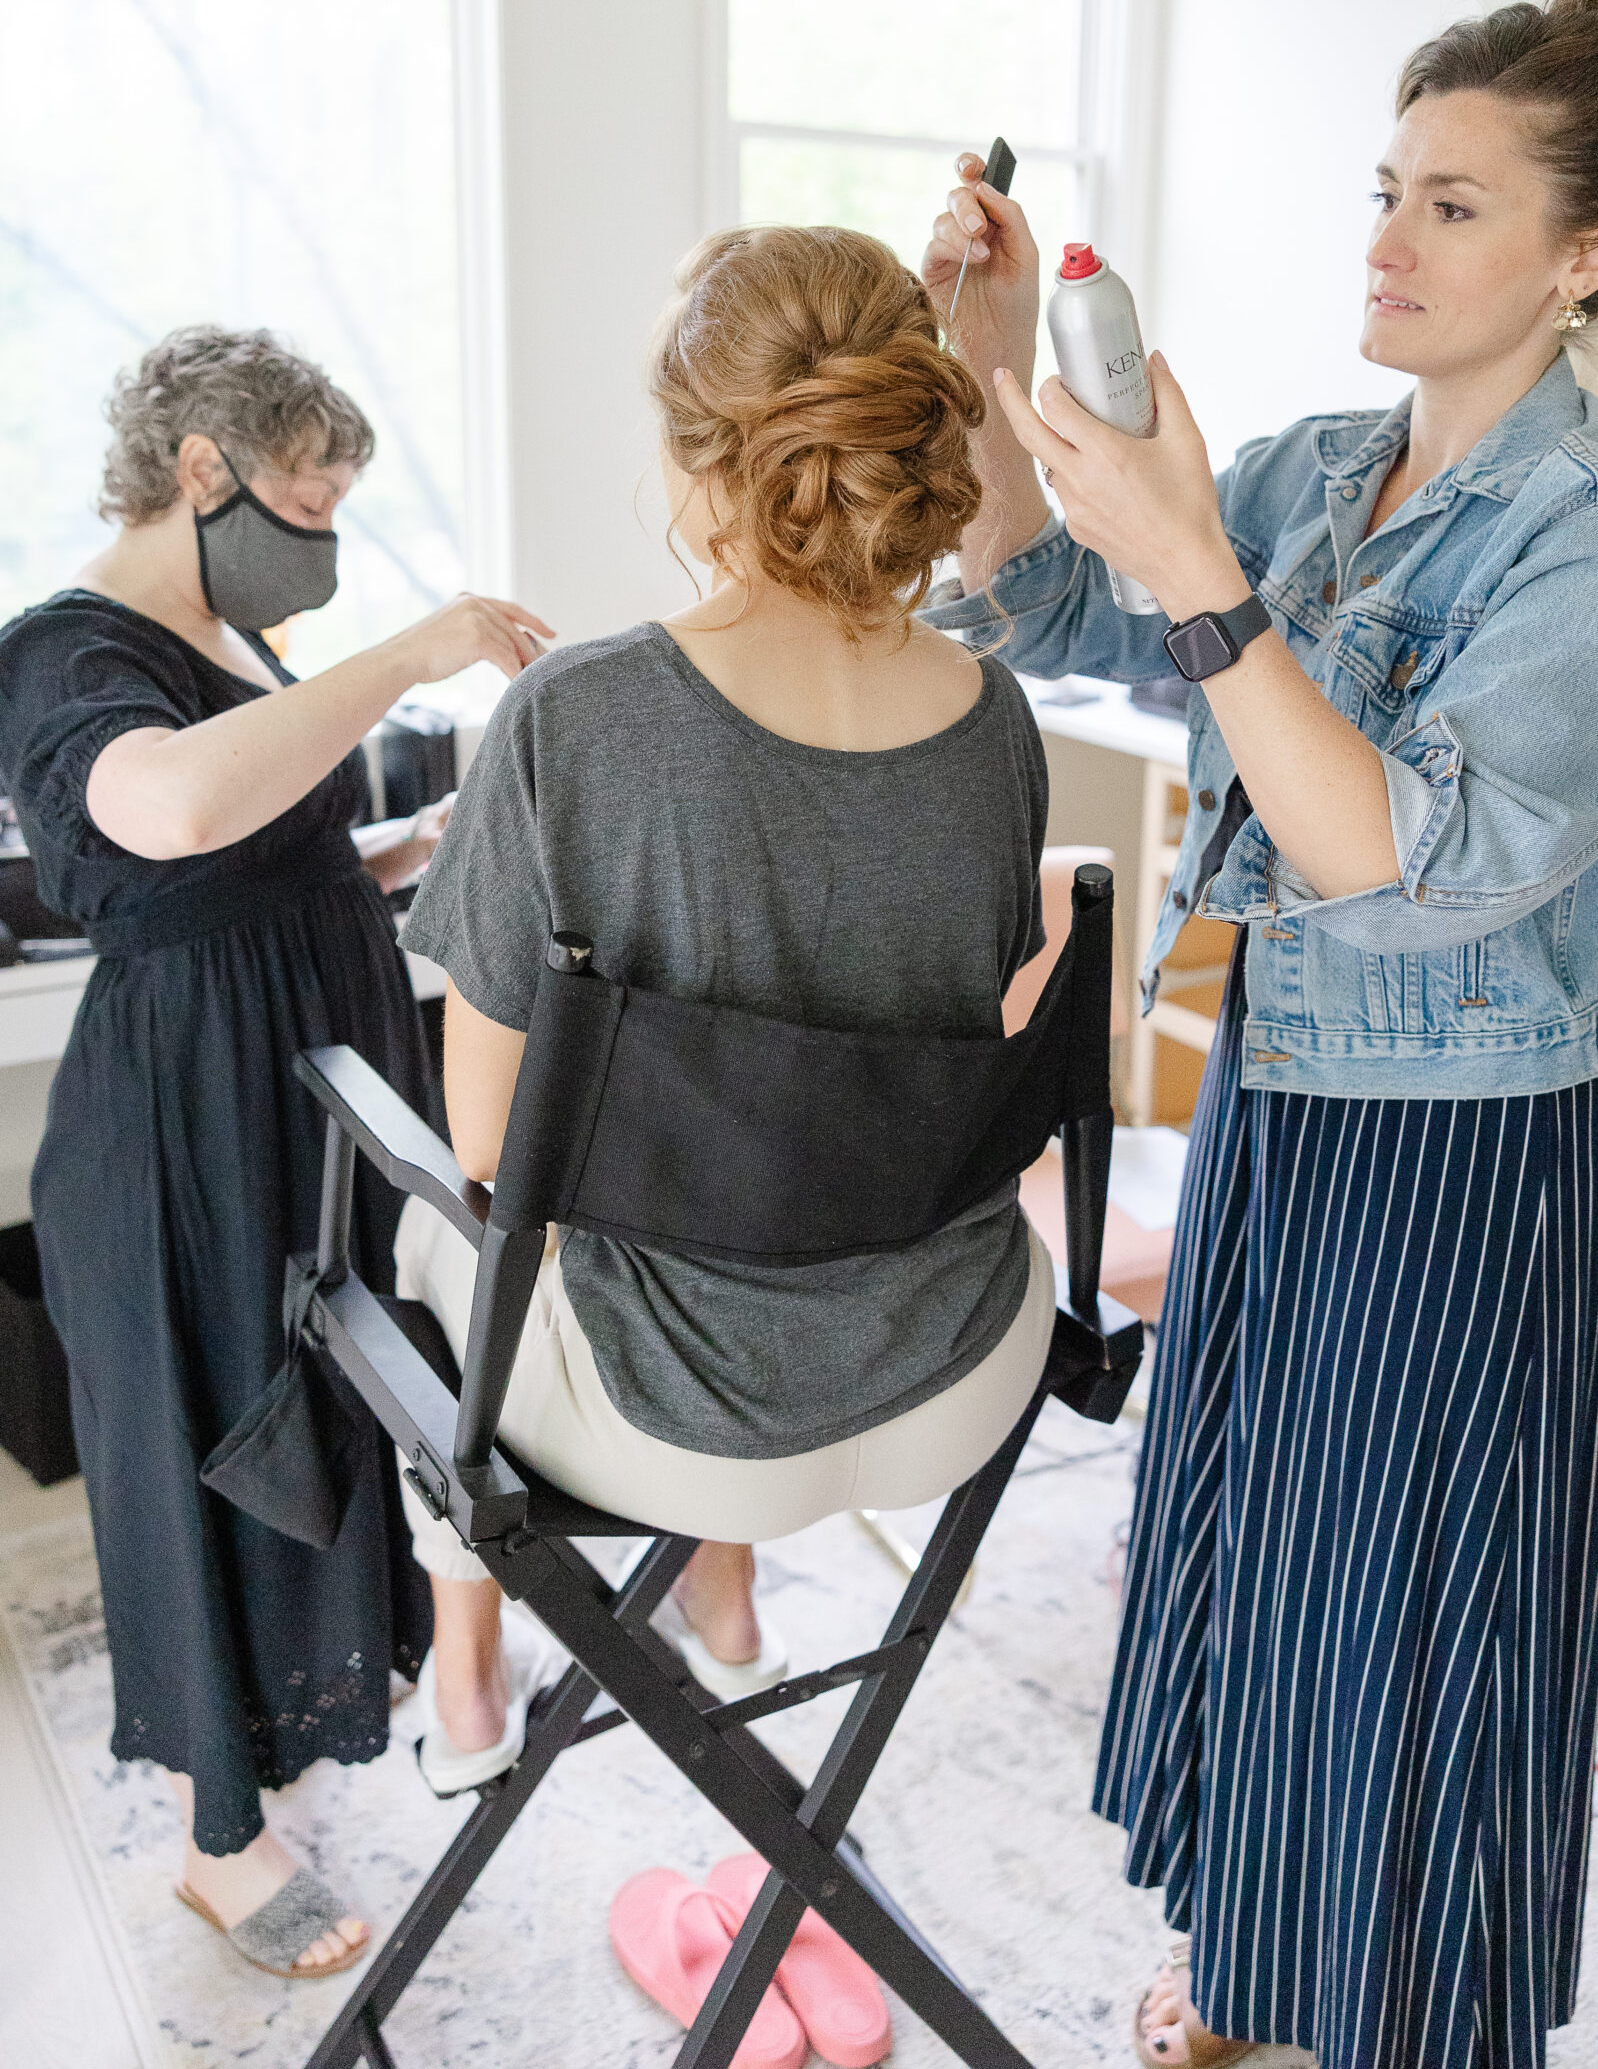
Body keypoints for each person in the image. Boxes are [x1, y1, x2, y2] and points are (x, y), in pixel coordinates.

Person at [920, 0, 1598, 2069]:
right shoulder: (1312, 465)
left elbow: (1409, 855)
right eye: (1386, 186)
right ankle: (1261, 1966)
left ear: (1588, 251)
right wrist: (994, 382)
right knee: (1263, 1565)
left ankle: (1397, 2010)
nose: (1382, 237)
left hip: (1472, 1148)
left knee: (1418, 1624)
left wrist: (1196, 562)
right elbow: (1040, 604)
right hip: (1290, 1091)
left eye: (1451, 204)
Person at [390, 224, 1058, 1785]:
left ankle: (470, 1682)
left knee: (422, 1225)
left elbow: (497, 1147)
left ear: (701, 460)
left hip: (680, 1415)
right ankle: (726, 1595)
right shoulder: (997, 716)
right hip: (960, 1364)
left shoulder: (577, 715)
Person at [0, 327, 551, 1979]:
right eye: (307, 500)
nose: (320, 539)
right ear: (200, 471)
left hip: (301, 1091)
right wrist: (408, 654)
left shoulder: (233, 640)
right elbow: (163, 818)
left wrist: (404, 849)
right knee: (204, 1455)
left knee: (319, 1419)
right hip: (187, 1122)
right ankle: (216, 1846)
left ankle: (308, 1749)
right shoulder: (67, 651)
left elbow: (248, 861)